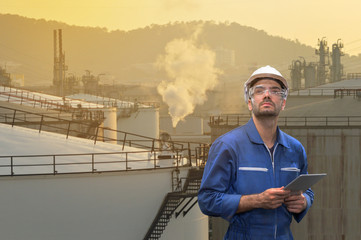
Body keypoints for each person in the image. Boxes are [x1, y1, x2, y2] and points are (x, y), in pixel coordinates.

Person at [198, 66, 314, 239]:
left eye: (275, 91)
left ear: (283, 103)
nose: (267, 95)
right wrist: (257, 200)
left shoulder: (294, 148)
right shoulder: (228, 146)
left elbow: (307, 190)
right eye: (259, 91)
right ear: (250, 102)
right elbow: (207, 200)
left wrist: (304, 201)